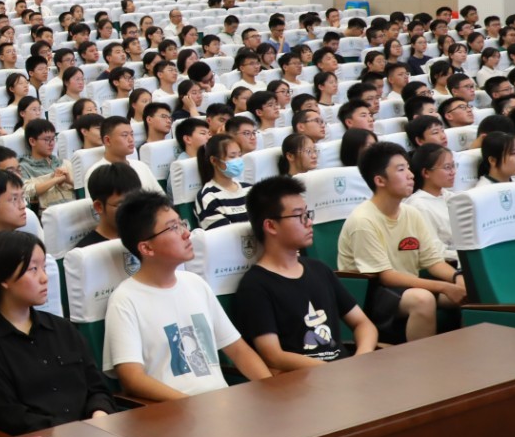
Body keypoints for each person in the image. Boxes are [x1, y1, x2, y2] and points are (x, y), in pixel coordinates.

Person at [103, 193, 271, 400]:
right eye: (173, 228)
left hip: (222, 405)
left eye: (182, 223)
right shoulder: (124, 300)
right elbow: (132, 378)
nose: (186, 233)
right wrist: (190, 405)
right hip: (173, 411)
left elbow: (238, 351)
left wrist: (270, 388)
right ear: (146, 248)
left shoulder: (195, 283)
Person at [0, 231, 113, 432]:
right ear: (4, 278)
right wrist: (72, 431)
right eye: (33, 269)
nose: (44, 278)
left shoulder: (63, 329)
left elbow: (98, 388)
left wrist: (99, 413)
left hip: (93, 432)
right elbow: (9, 416)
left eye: (44, 267)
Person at [235, 177, 378, 371]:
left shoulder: (319, 269)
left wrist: (361, 356)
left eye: (307, 214)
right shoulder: (255, 286)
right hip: (303, 380)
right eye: (299, 216)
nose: (309, 222)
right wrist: (332, 371)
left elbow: (363, 324)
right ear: (271, 226)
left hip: (344, 372)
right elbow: (273, 355)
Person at [337, 142, 465, 342]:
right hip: (370, 295)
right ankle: (421, 360)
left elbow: (433, 261)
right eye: (401, 169)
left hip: (405, 288)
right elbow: (386, 276)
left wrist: (457, 278)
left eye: (408, 168)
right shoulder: (363, 220)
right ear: (380, 180)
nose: (411, 175)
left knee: (470, 290)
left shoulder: (411, 213)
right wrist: (443, 287)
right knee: (423, 299)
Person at [403, 143, 459, 264]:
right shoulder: (418, 206)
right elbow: (435, 251)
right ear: (426, 173)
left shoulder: (449, 196)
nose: (453, 172)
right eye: (447, 167)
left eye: (453, 166)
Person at [85, 116, 164, 195]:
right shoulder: (97, 174)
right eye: (125, 135)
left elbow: (161, 196)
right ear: (107, 140)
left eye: (132, 134)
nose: (131, 139)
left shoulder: (141, 166)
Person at [193, 133, 249, 230]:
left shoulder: (249, 188)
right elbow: (224, 234)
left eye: (239, 155)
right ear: (214, 160)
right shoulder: (208, 197)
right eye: (232, 156)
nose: (238, 160)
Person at [18, 117, 74, 213]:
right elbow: (25, 192)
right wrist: (54, 180)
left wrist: (69, 180)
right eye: (47, 139)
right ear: (32, 141)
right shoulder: (23, 167)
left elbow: (83, 187)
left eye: (53, 139)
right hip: (48, 214)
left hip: (73, 209)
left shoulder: (64, 163)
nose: (51, 144)